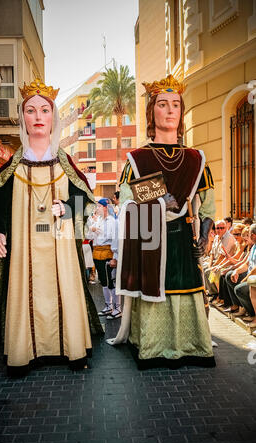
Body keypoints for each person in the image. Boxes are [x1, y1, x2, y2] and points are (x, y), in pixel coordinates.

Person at [0, 77, 103, 375]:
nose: (38, 117)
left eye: (44, 110)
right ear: (22, 117)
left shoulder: (65, 163)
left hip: (60, 247)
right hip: (23, 251)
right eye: (31, 110)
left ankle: (72, 349)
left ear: (53, 119)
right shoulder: (12, 165)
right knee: (25, 289)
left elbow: (85, 200)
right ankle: (24, 352)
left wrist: (66, 208)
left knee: (64, 289)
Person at [107, 74, 216, 369]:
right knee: (156, 290)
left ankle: (192, 345)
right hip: (151, 240)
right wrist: (158, 199)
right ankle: (153, 347)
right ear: (151, 111)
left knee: (185, 288)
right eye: (163, 104)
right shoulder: (137, 159)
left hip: (182, 239)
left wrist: (204, 236)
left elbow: (207, 206)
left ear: (181, 113)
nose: (170, 110)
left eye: (176, 105)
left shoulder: (196, 159)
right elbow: (126, 201)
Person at [86, 198, 121, 319]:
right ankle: (108, 305)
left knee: (111, 281)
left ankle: (117, 308)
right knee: (103, 280)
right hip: (97, 252)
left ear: (106, 207)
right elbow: (88, 235)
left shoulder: (112, 221)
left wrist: (114, 256)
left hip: (107, 252)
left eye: (99, 207)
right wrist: (92, 229)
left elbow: (113, 238)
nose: (97, 209)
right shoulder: (99, 220)